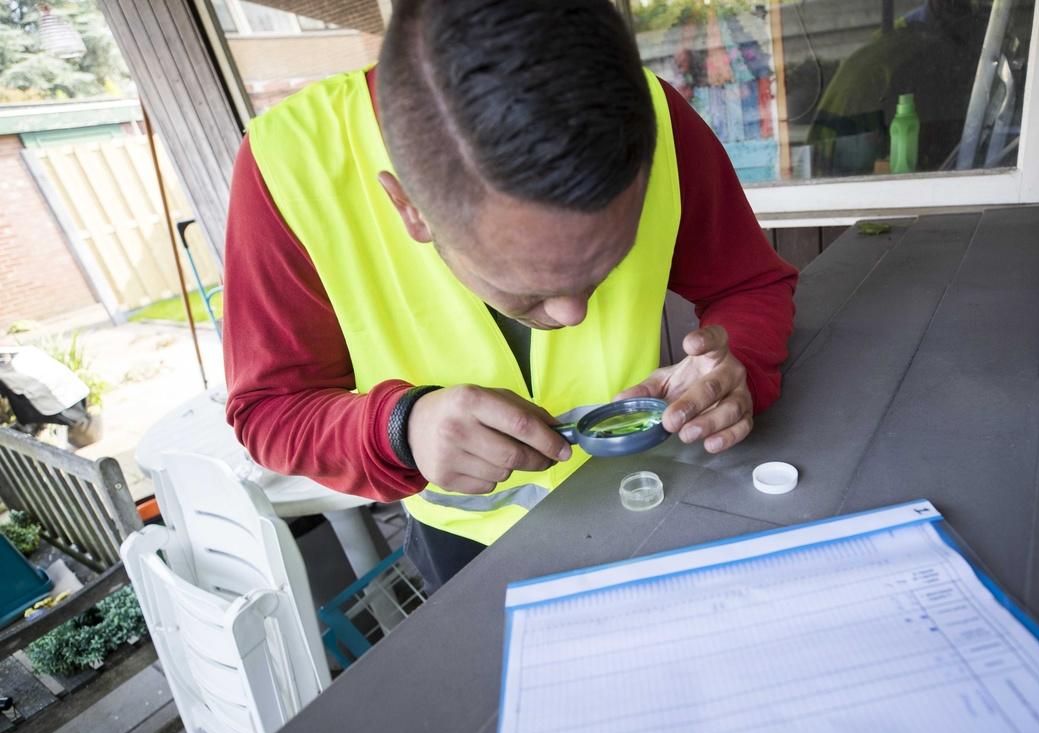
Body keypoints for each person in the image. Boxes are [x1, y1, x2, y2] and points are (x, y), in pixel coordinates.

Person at [222, 0, 797, 590]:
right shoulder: (289, 169)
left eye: (607, 260)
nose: (573, 315)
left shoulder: (655, 117)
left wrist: (737, 365)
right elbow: (268, 410)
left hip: (653, 498)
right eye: (527, 288)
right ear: (410, 210)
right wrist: (401, 429)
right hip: (465, 551)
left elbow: (750, 285)